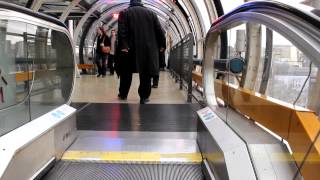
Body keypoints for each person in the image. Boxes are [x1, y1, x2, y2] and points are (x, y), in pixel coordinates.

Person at [118, 0, 166, 104]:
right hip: (147, 50)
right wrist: (162, 45)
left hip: (130, 49)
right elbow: (160, 31)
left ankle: (123, 94)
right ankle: (144, 97)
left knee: (126, 73)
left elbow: (122, 31)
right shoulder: (151, 13)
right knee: (145, 74)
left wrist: (124, 46)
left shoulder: (124, 13)